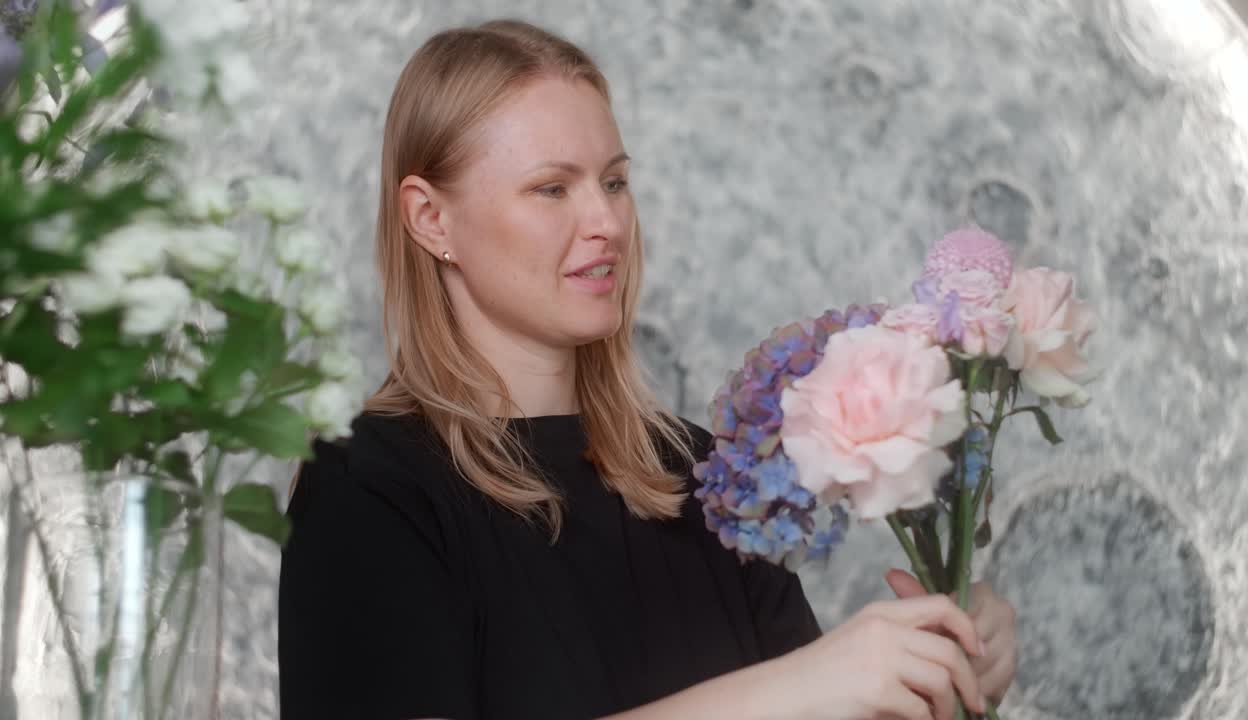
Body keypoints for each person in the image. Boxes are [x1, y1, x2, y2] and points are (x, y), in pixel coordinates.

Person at [277, 18, 1017, 720]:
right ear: (430, 219)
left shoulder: (710, 479)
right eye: (552, 188)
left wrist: (935, 670)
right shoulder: (367, 489)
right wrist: (798, 685)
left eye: (615, 182)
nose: (606, 221)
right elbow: (789, 698)